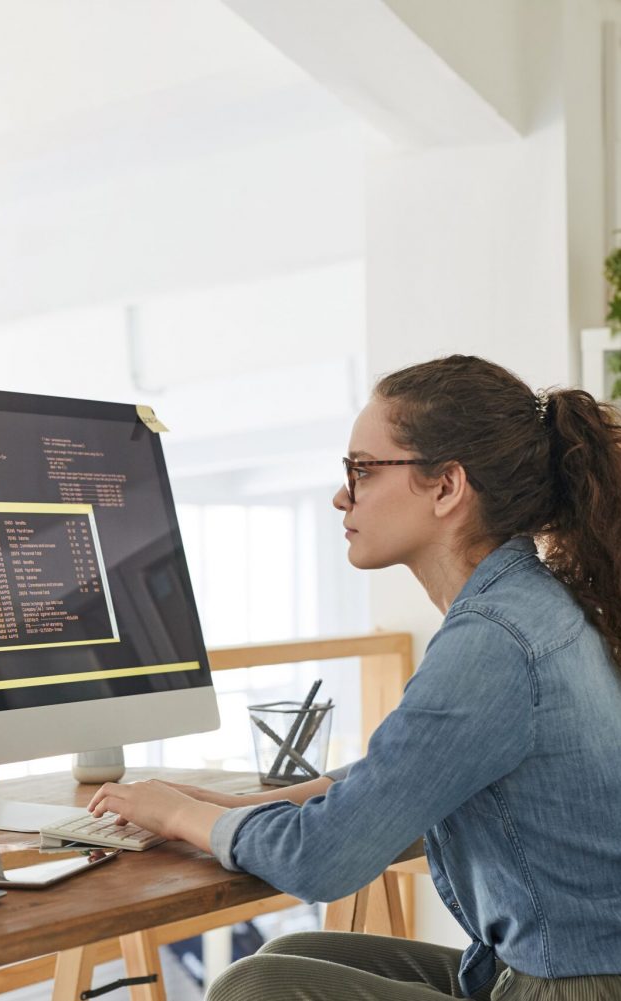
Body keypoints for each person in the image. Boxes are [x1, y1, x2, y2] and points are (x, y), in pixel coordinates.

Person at [88, 355, 621, 1000]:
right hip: (548, 968)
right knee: (294, 952)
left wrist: (178, 815)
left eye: (361, 470)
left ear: (446, 487)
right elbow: (401, 782)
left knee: (259, 987)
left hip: (574, 988)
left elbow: (324, 859)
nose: (343, 495)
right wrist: (231, 808)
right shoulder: (525, 604)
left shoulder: (495, 640)